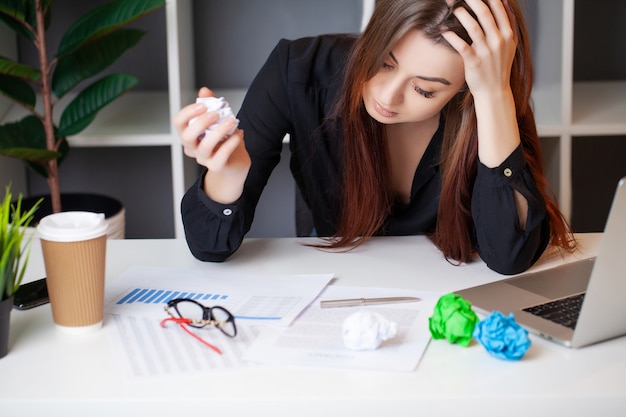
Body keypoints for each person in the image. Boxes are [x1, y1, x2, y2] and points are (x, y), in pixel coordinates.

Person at [174, 0, 576, 274]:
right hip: (337, 284)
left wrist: (494, 96)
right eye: (383, 63)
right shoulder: (297, 70)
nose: (387, 96)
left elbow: (510, 256)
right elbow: (209, 247)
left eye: (425, 90)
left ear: (464, 89)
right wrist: (226, 176)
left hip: (451, 291)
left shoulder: (488, 98)